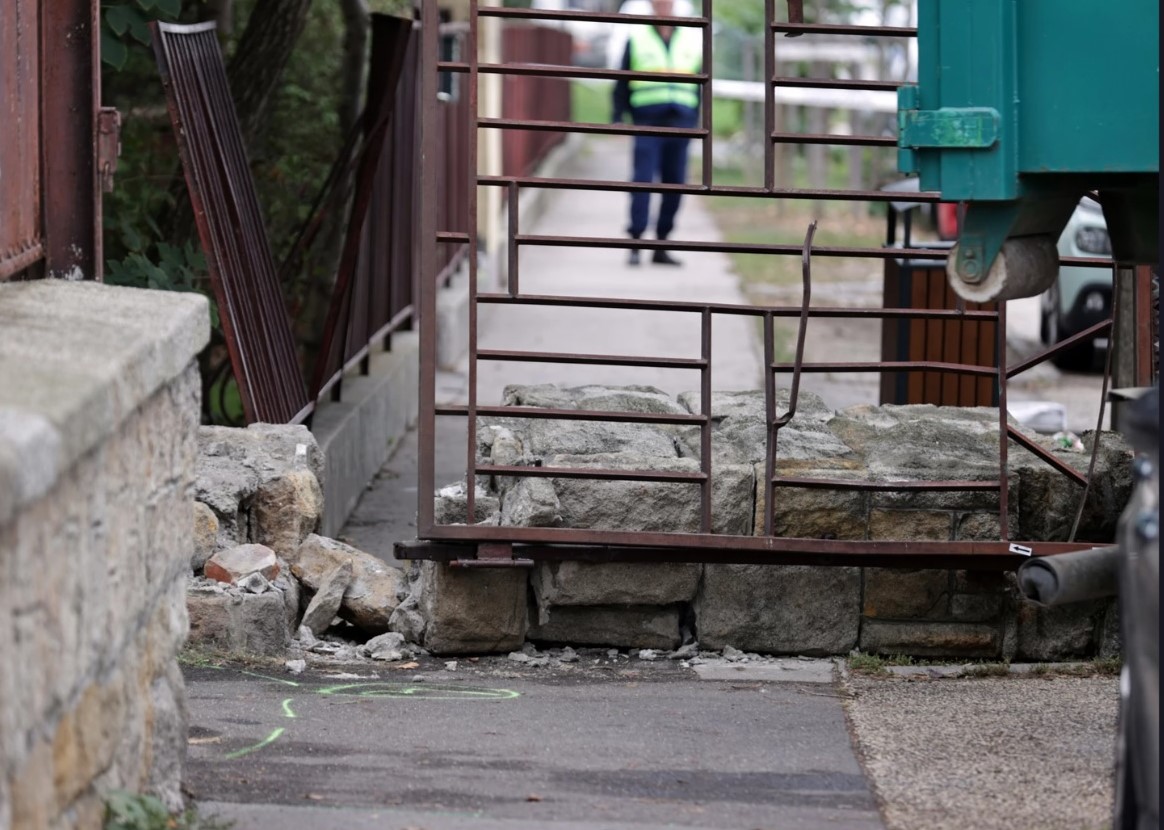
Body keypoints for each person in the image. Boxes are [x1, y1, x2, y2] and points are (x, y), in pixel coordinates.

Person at [611, 0, 702, 266]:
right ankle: (637, 241)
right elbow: (623, 78)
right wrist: (618, 116)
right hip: (647, 120)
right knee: (643, 181)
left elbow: (700, 81)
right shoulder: (638, 38)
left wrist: (698, 119)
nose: (663, 6)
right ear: (652, 5)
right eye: (658, 2)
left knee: (675, 184)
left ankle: (662, 242)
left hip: (681, 121)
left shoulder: (690, 37)